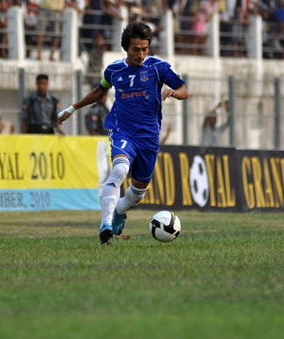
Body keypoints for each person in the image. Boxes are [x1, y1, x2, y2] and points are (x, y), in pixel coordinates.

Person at [57, 22, 188, 244]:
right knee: (119, 170)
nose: (141, 54)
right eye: (136, 49)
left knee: (138, 191)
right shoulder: (114, 69)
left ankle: (118, 212)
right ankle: (105, 224)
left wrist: (175, 92)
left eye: (145, 49)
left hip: (148, 137)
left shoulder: (158, 67)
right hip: (122, 131)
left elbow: (185, 90)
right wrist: (73, 108)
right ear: (126, 48)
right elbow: (100, 90)